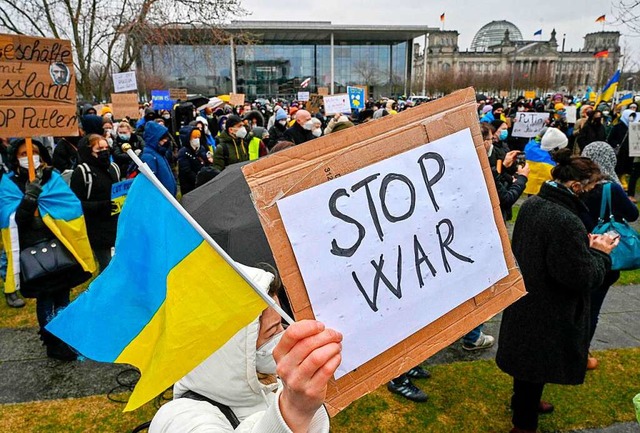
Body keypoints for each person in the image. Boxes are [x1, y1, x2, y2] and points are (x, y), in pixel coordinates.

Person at [496, 148, 616, 433]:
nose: (592, 192)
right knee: (534, 364)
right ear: (576, 187)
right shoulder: (565, 220)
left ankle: (524, 403)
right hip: (548, 308)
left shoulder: (533, 203)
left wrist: (580, 248)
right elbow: (581, 276)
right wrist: (599, 253)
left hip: (528, 299)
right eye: (590, 187)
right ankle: (523, 425)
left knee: (527, 364)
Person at [148, 264, 342, 432]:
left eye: (281, 324)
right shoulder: (179, 419)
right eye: (272, 330)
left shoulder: (271, 384)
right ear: (234, 347)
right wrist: (293, 410)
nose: (283, 333)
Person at [0, 139, 93, 360]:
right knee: (45, 298)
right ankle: (52, 342)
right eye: (24, 153)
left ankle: (65, 335)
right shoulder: (9, 184)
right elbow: (13, 220)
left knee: (63, 295)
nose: (29, 156)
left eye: (34, 152)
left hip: (58, 248)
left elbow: (70, 207)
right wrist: (29, 199)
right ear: (15, 157)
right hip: (31, 253)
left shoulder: (53, 179)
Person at [581, 142, 638, 370]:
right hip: (605, 253)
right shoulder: (610, 188)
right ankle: (581, 353)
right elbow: (633, 214)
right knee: (592, 308)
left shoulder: (576, 185)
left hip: (581, 246)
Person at [70, 134, 120, 272]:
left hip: (116, 224)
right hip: (96, 228)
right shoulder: (82, 172)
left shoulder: (113, 168)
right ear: (88, 151)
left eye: (106, 148)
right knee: (107, 267)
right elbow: (75, 204)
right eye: (99, 149)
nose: (104, 152)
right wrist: (100, 206)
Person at [141, 121, 177, 196]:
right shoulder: (149, 156)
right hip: (162, 198)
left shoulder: (159, 153)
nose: (165, 140)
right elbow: (151, 183)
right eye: (162, 138)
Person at [178, 127, 212, 196]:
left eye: (198, 137)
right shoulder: (183, 152)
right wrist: (198, 180)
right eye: (194, 137)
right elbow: (186, 171)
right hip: (190, 186)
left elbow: (206, 163)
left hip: (203, 184)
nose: (197, 139)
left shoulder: (201, 148)